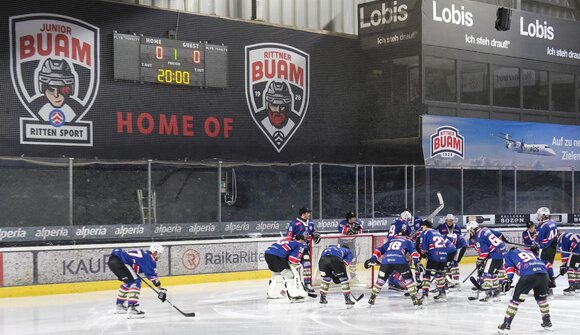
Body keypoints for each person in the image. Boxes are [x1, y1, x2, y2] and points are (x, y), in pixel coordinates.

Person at [497, 248, 552, 334]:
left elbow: (510, 268)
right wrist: (551, 278)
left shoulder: (509, 254)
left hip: (528, 276)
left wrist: (509, 279)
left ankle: (506, 325)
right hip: (544, 275)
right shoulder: (529, 252)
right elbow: (547, 264)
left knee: (515, 301)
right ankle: (547, 322)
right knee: (542, 300)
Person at [107, 243, 166, 318]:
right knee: (136, 282)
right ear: (155, 252)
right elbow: (153, 278)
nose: (159, 256)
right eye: (159, 254)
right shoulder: (150, 258)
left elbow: (133, 262)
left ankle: (120, 305)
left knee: (128, 282)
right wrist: (160, 290)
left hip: (113, 260)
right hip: (121, 262)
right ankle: (133, 308)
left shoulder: (143, 253)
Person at [364, 235, 422, 307]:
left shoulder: (391, 241)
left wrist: (372, 259)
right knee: (409, 280)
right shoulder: (408, 241)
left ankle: (372, 298)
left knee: (380, 281)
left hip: (386, 262)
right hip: (400, 261)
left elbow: (378, 250)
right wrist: (417, 262)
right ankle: (415, 300)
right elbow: (414, 253)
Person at [466, 220, 507, 302]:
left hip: (495, 254)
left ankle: (488, 295)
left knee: (487, 274)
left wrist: (479, 261)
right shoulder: (485, 229)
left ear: (473, 228)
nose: (470, 232)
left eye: (470, 230)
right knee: (494, 273)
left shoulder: (479, 237)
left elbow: (485, 253)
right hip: (502, 252)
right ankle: (496, 294)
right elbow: (499, 234)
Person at [285, 208, 321, 292]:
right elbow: (288, 237)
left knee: (307, 264)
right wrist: (289, 248)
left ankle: (307, 283)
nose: (309, 215)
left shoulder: (311, 222)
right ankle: (294, 284)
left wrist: (315, 235)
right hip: (295, 249)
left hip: (305, 249)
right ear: (303, 214)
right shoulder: (294, 223)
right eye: (308, 213)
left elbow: (313, 233)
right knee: (294, 266)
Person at [265, 234, 308, 302]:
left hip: (267, 253)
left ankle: (272, 293)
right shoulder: (299, 244)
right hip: (277, 256)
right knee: (290, 275)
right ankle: (294, 295)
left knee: (277, 274)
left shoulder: (290, 242)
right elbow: (294, 259)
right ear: (301, 240)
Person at [418, 220, 452, 301]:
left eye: (422, 226)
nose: (422, 228)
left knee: (427, 275)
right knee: (439, 275)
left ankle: (425, 295)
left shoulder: (425, 232)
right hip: (444, 256)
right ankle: (442, 293)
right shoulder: (438, 233)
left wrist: (423, 254)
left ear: (425, 226)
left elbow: (423, 248)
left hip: (434, 256)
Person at [37, 58, 77, 124]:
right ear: (42, 88)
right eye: (51, 89)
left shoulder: (76, 108)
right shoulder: (37, 108)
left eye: (62, 90)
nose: (56, 95)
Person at [437, 214, 467, 287]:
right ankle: (449, 280)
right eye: (448, 220)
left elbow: (458, 238)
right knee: (448, 263)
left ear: (453, 221)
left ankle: (456, 281)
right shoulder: (441, 227)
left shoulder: (457, 227)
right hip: (449, 247)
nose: (449, 222)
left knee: (454, 263)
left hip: (457, 247)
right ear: (446, 221)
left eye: (451, 220)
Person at [534, 207, 558, 292]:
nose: (538, 217)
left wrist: (536, 244)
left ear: (544, 215)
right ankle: (551, 281)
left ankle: (546, 288)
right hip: (552, 248)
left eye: (539, 215)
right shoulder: (554, 223)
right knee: (548, 265)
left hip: (544, 248)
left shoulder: (542, 226)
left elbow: (537, 240)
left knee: (542, 266)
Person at [337, 211, 363, 279]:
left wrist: (354, 230)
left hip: (351, 243)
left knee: (353, 259)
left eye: (355, 217)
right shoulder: (342, 223)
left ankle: (353, 276)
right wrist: (351, 229)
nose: (355, 219)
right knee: (340, 260)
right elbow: (342, 232)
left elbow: (360, 232)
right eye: (353, 217)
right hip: (342, 243)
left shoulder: (357, 222)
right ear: (349, 219)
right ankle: (339, 275)